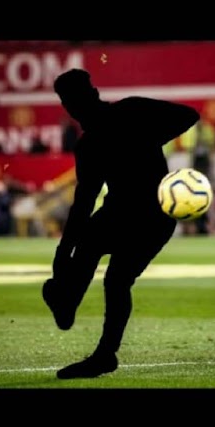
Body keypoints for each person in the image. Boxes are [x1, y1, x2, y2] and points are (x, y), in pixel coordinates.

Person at [42, 69, 200, 379]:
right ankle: (74, 310)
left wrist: (63, 255)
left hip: (144, 214)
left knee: (109, 270)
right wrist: (152, 135)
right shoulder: (124, 116)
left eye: (71, 101)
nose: (71, 107)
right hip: (140, 213)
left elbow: (83, 204)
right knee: (111, 272)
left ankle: (74, 310)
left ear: (78, 102)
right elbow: (187, 115)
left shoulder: (111, 126)